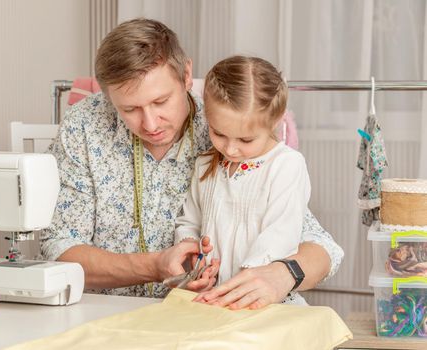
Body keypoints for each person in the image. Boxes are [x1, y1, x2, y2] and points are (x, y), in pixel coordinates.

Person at [40, 18, 344, 308]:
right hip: (103, 312)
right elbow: (59, 250)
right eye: (129, 108)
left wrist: (281, 275)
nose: (150, 123)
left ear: (187, 76)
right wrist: (156, 266)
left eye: (161, 102)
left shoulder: (223, 129)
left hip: (199, 315)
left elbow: (321, 247)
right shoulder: (84, 125)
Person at [175, 56, 310, 307]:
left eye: (246, 140)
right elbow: (189, 220)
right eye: (218, 133)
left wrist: (242, 282)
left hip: (265, 299)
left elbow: (282, 233)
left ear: (277, 118)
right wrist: (193, 254)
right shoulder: (205, 166)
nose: (231, 149)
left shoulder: (286, 165)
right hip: (214, 299)